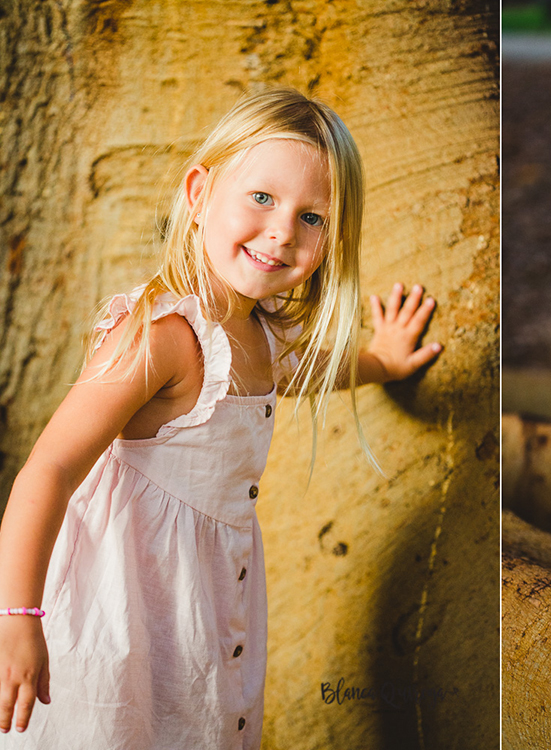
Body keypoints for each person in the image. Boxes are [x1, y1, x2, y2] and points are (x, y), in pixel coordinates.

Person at [0, 87, 441, 748]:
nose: (282, 232)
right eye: (261, 198)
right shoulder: (161, 336)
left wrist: (381, 359)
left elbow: (315, 367)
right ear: (200, 191)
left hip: (203, 608)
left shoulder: (261, 335)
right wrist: (17, 615)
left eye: (313, 217)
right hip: (120, 608)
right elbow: (51, 469)